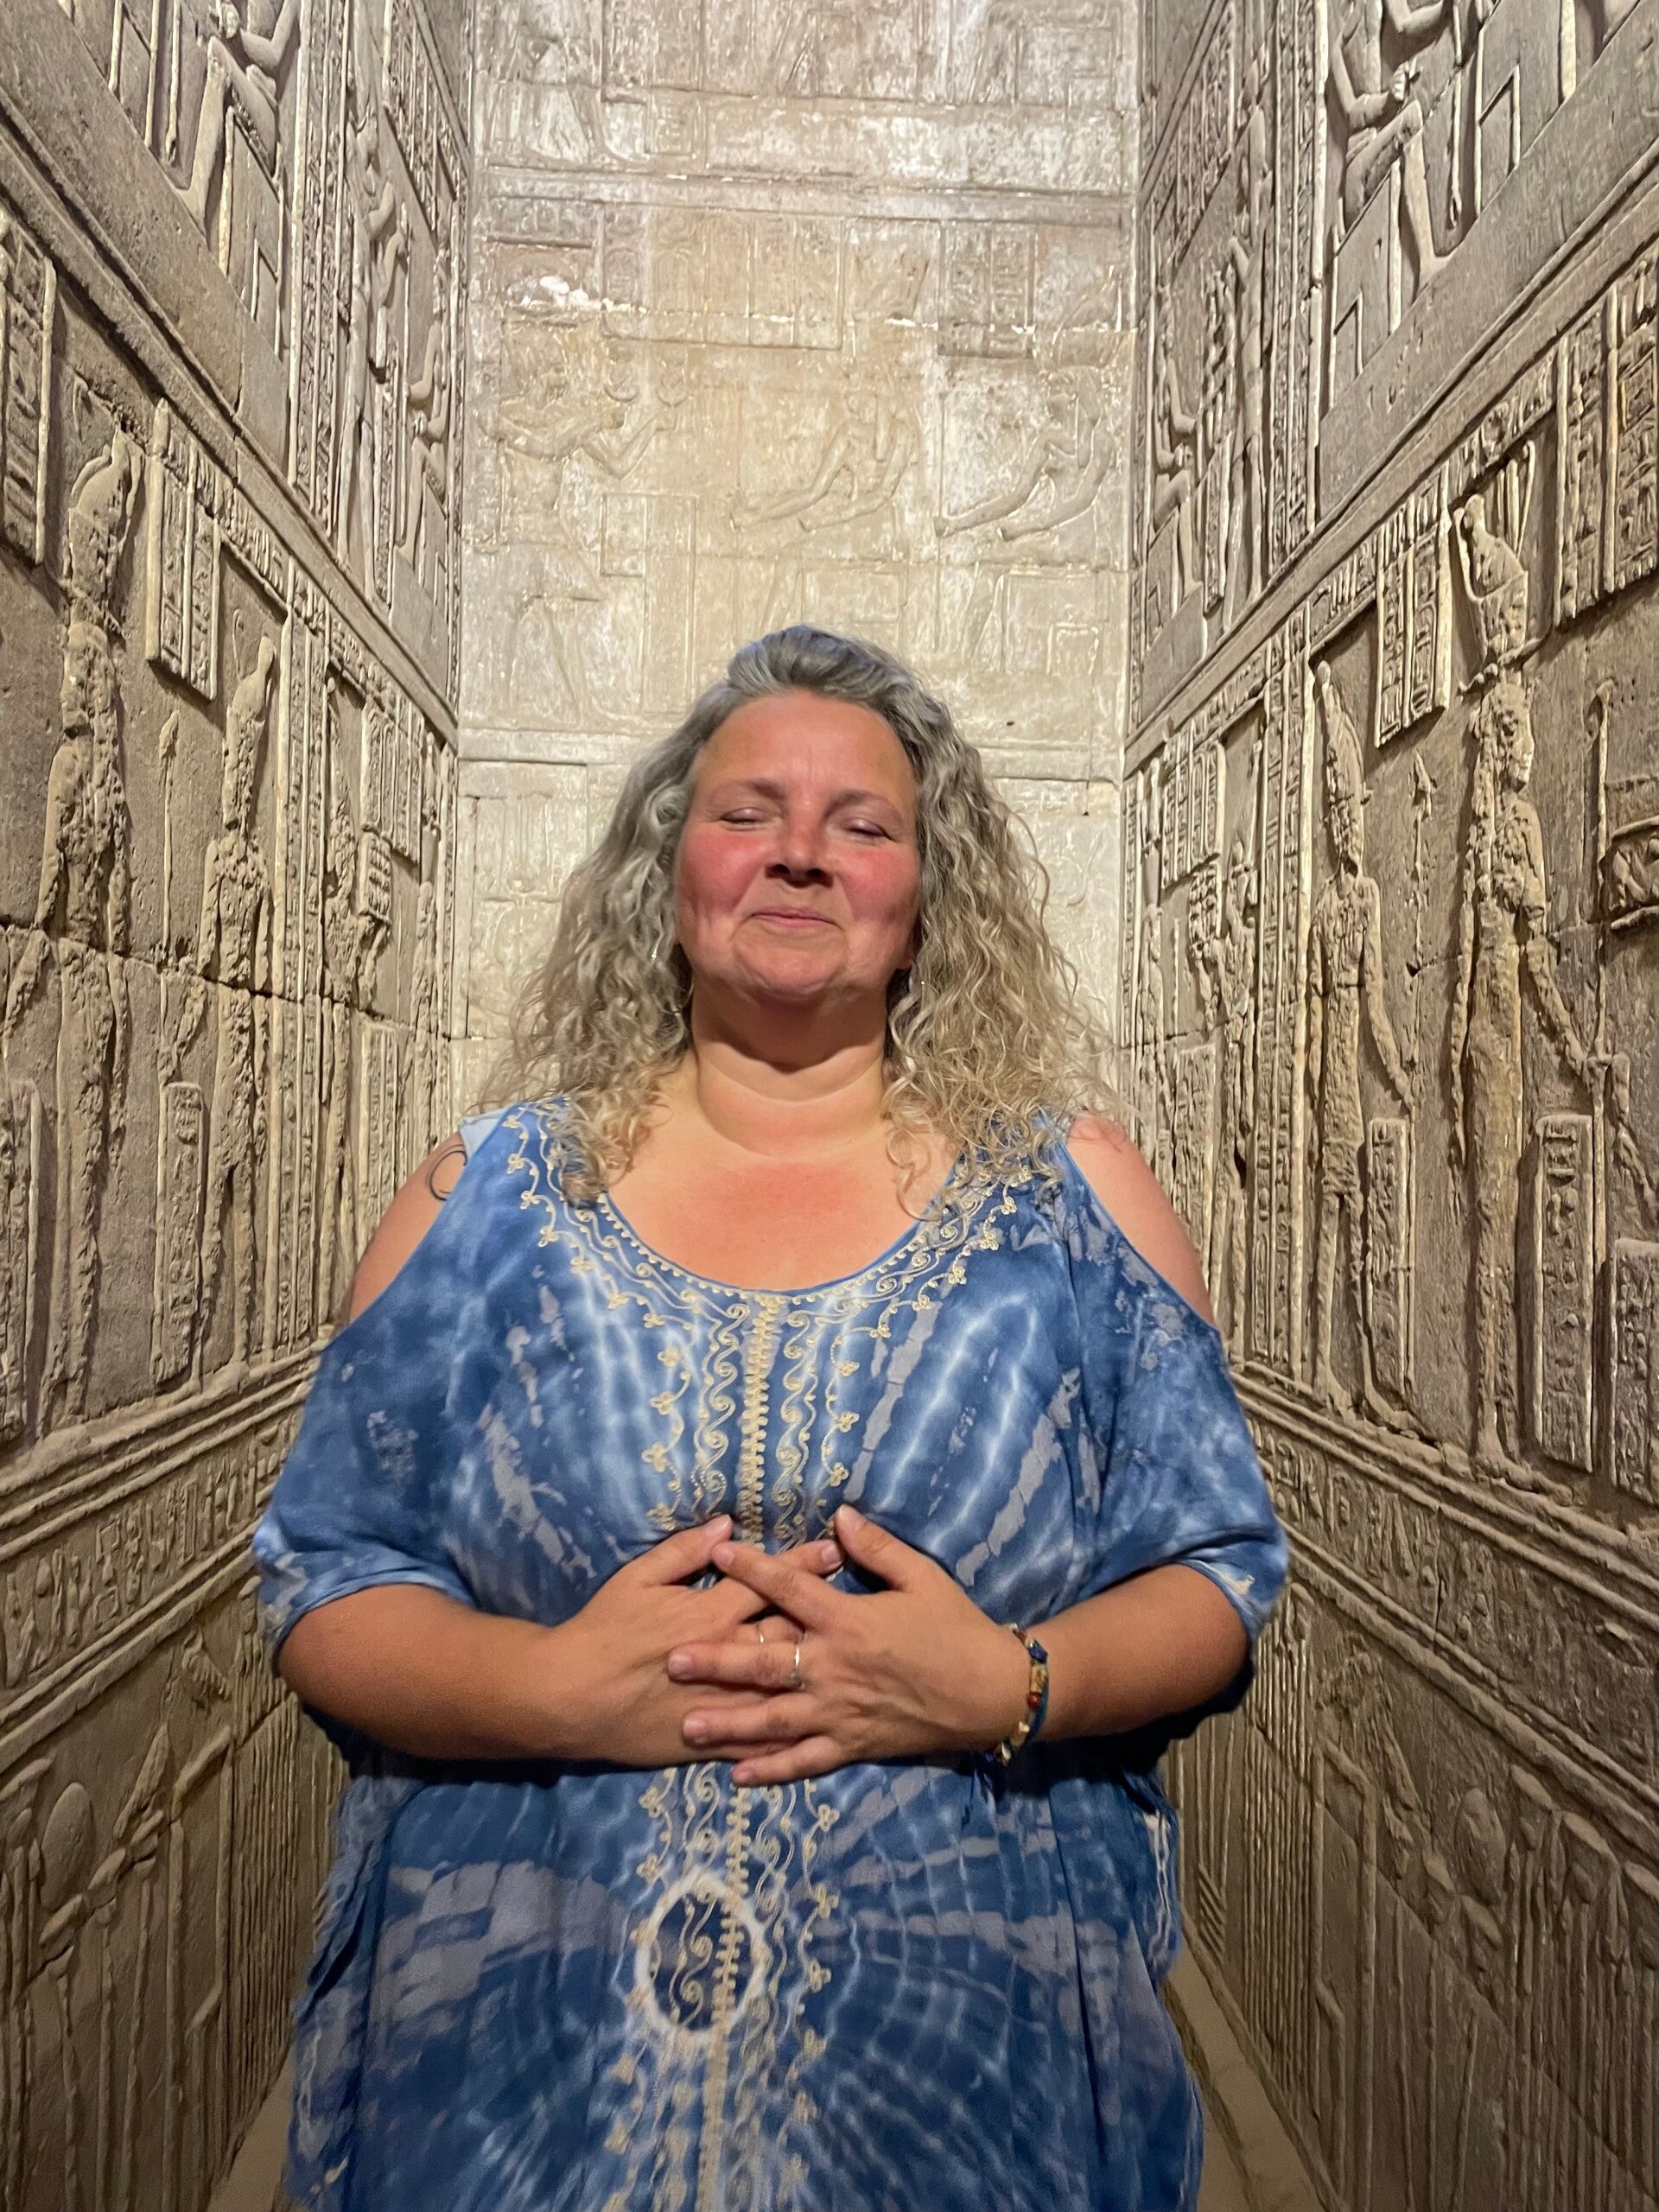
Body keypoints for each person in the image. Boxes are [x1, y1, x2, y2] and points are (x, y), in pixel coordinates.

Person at [253, 626, 1287, 2212]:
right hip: (522, 2094)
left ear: (928, 893)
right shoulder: (491, 1196)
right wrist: (546, 1692)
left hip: (970, 2098)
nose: (802, 853)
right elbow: (324, 1579)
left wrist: (1008, 1683)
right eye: (749, 813)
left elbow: (1215, 1575)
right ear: (669, 869)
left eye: (862, 825)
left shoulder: (1075, 1196)